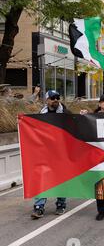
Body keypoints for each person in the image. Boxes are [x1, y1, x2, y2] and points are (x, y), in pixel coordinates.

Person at [31, 90, 69, 219]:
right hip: (45, 153)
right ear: (47, 100)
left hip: (61, 153)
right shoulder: (41, 114)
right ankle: (39, 207)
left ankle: (61, 204)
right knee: (42, 178)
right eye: (52, 98)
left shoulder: (66, 113)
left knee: (61, 179)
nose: (56, 100)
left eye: (57, 97)